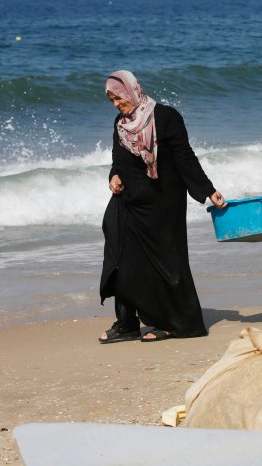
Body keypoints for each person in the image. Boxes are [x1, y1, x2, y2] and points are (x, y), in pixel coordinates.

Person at [98, 70, 227, 344]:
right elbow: (117, 161)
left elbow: (184, 156)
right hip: (129, 200)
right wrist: (114, 177)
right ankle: (127, 323)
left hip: (163, 201)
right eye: (111, 100)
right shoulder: (120, 124)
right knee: (119, 254)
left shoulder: (166, 117)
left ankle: (177, 323)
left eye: (118, 98)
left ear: (132, 91)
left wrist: (208, 190)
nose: (116, 105)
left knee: (166, 263)